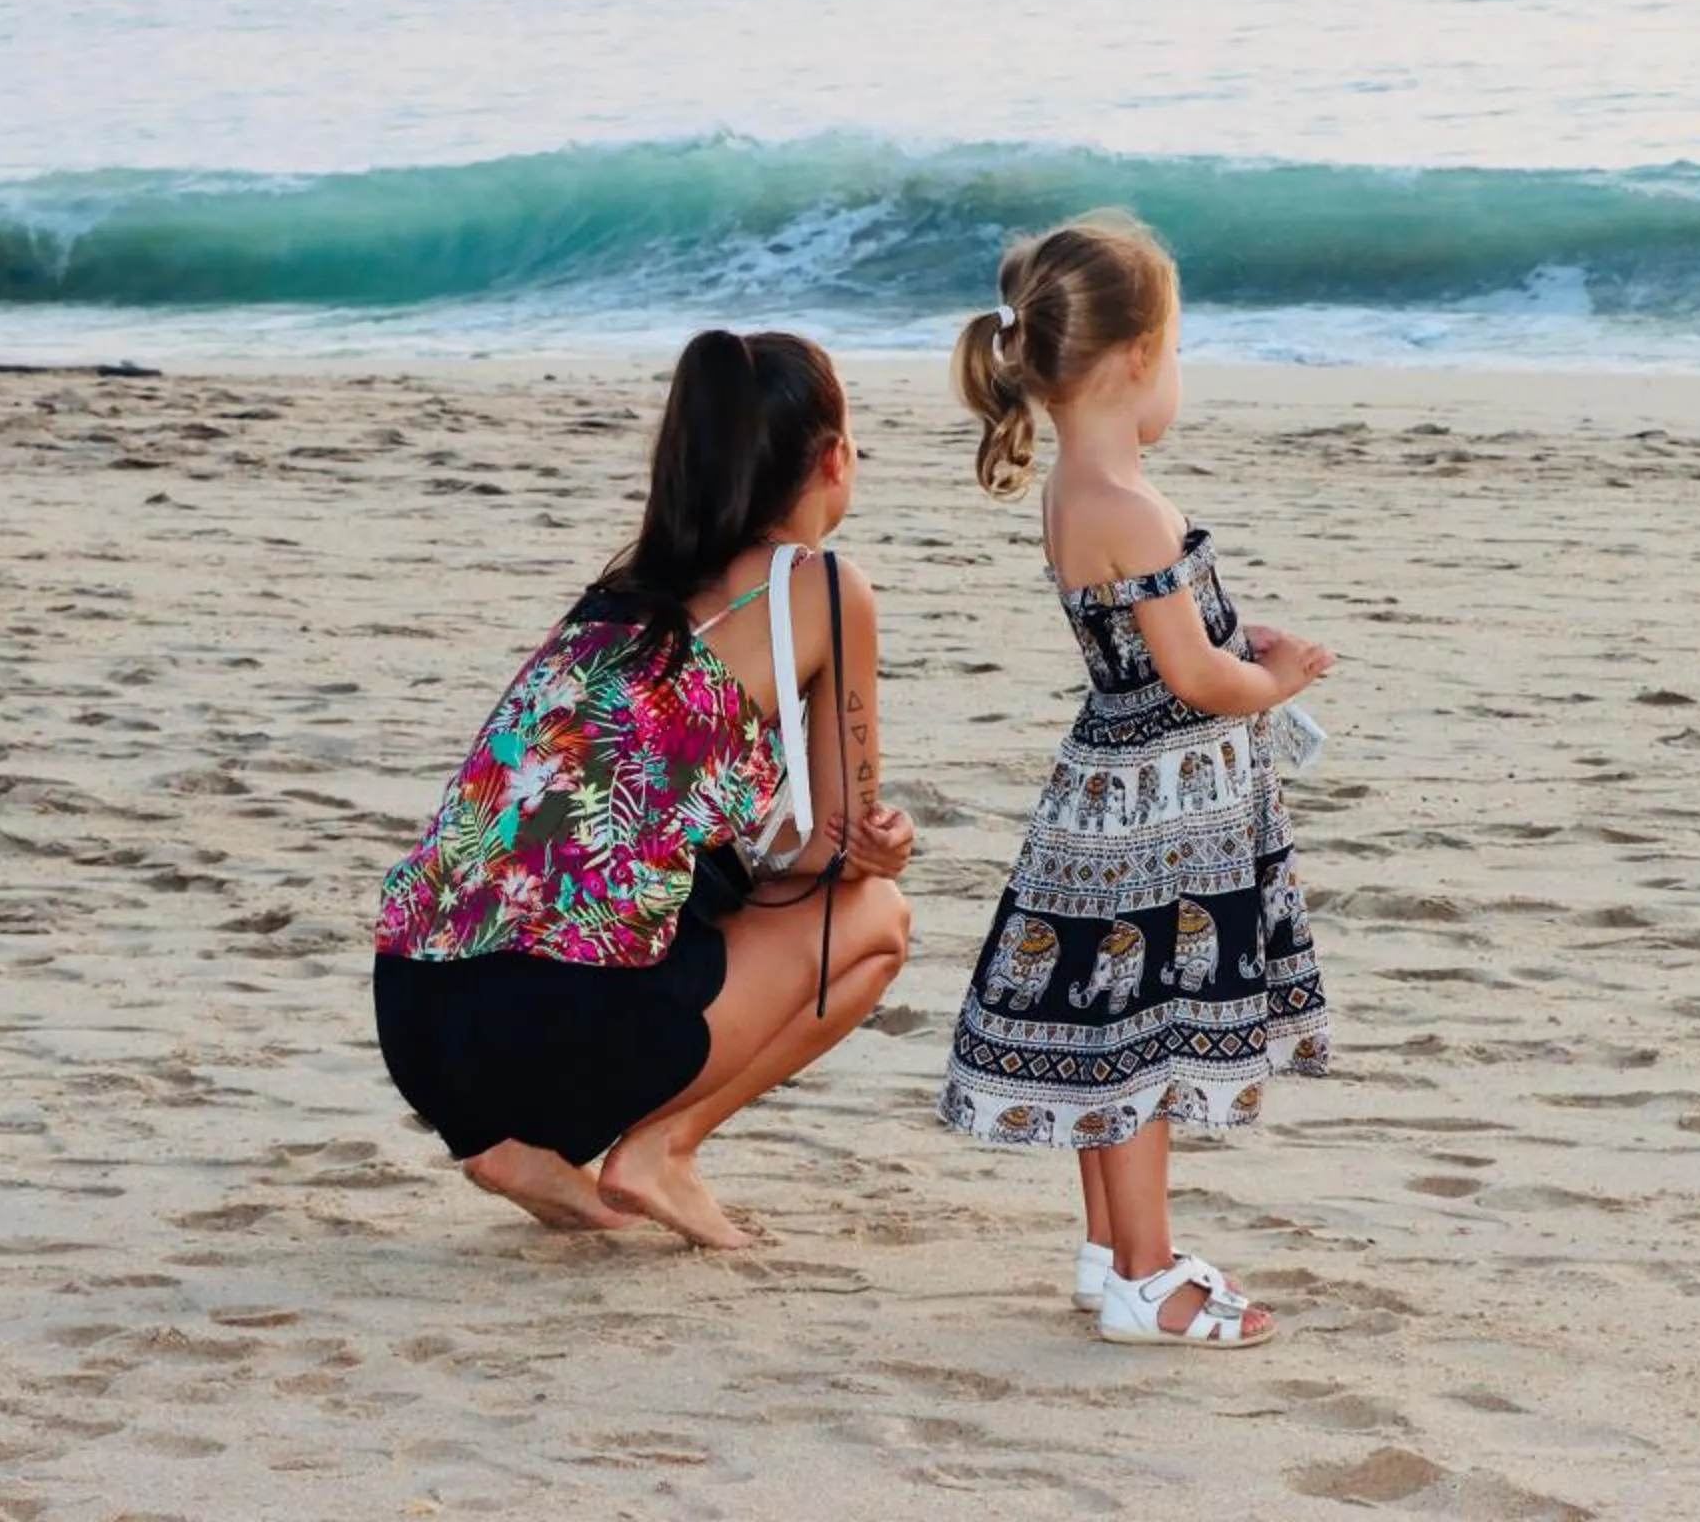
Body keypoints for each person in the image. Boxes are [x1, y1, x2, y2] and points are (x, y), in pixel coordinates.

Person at [372, 330, 915, 1249]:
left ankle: (515, 1145)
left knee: (665, 923)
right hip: (566, 1025)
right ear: (833, 458)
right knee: (876, 917)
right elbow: (832, 852)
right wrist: (880, 846)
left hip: (417, 1013)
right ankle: (662, 1147)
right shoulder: (824, 587)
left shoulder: (622, 591)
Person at [939, 213, 1334, 1347]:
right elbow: (1198, 676)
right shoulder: (1131, 505)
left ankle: (1114, 1255)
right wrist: (1278, 674)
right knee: (1147, 1042)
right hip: (1157, 819)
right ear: (1135, 360)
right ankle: (1149, 1277)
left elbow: (1151, 638)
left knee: (1111, 1036)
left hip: (1106, 796)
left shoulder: (1079, 492)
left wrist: (1229, 632)